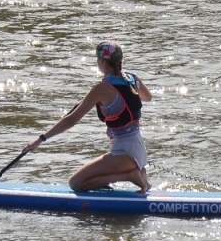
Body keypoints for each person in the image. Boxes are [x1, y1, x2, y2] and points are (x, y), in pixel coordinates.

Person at [24, 41, 153, 193]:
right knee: (88, 181)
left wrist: (40, 139)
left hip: (124, 153)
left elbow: (71, 120)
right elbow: (147, 97)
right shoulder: (132, 79)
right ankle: (134, 174)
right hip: (137, 147)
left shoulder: (101, 89)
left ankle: (130, 175)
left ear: (102, 61)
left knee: (76, 183)